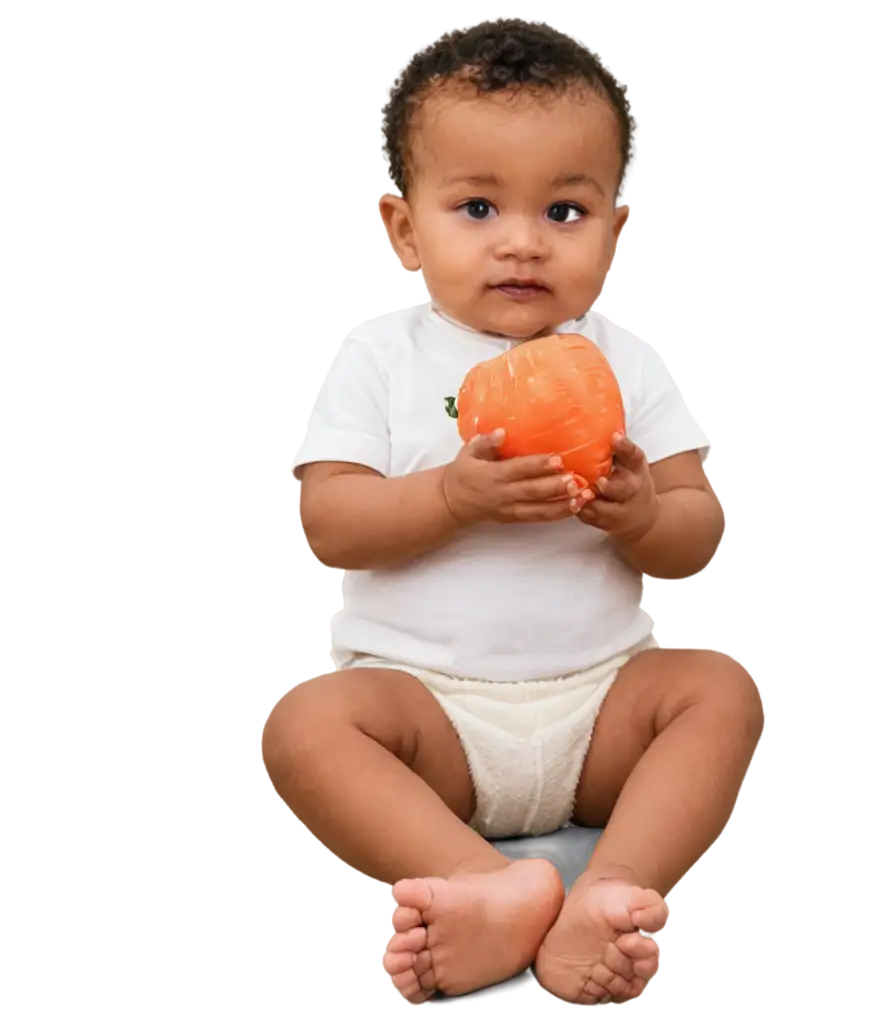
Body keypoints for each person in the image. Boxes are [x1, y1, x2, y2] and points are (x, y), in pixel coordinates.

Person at [257, 17, 757, 1006]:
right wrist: (450, 497)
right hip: (428, 716)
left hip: (597, 709)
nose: (521, 241)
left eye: (563, 212)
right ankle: (490, 888)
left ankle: (604, 890)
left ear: (614, 229)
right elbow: (328, 521)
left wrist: (641, 510)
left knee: (717, 691)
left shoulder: (629, 359)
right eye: (478, 206)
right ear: (405, 229)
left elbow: (698, 534)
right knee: (304, 725)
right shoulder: (378, 356)